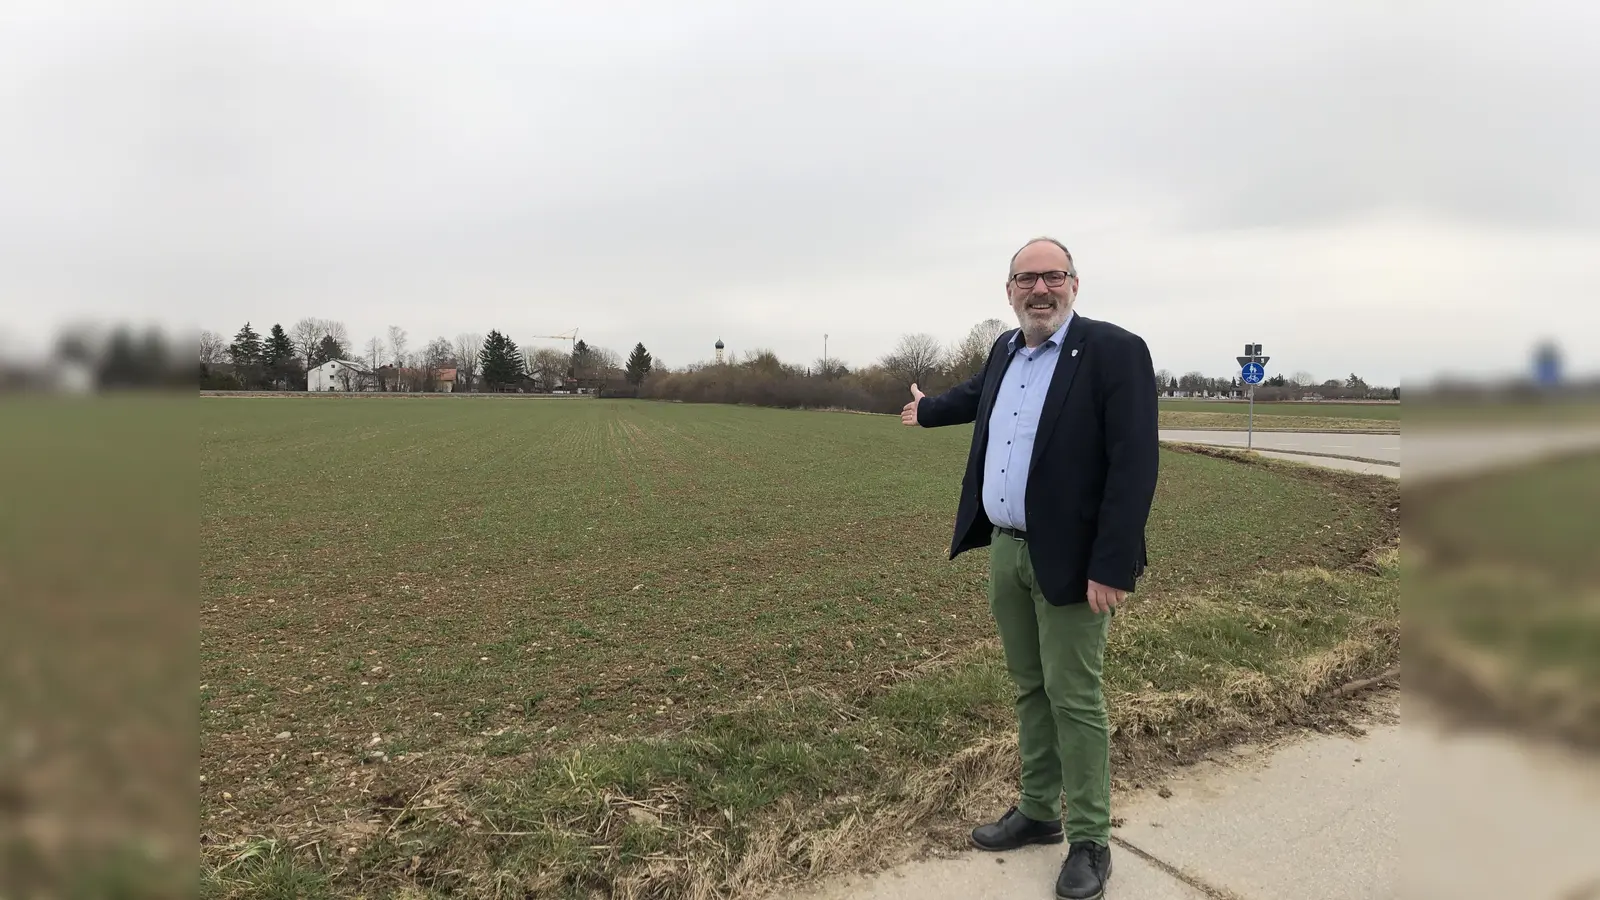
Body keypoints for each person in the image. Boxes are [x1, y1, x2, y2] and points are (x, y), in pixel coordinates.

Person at [902, 236, 1159, 900]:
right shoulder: (1005, 350)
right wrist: (927, 411)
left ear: (1074, 283)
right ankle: (1039, 809)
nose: (1039, 289)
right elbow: (974, 395)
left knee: (1074, 697)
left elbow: (1134, 464)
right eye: (1026, 279)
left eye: (1052, 276)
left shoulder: (1114, 351)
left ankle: (1091, 840)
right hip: (1007, 550)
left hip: (1075, 560)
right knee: (1030, 688)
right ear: (1009, 290)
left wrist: (1113, 563)